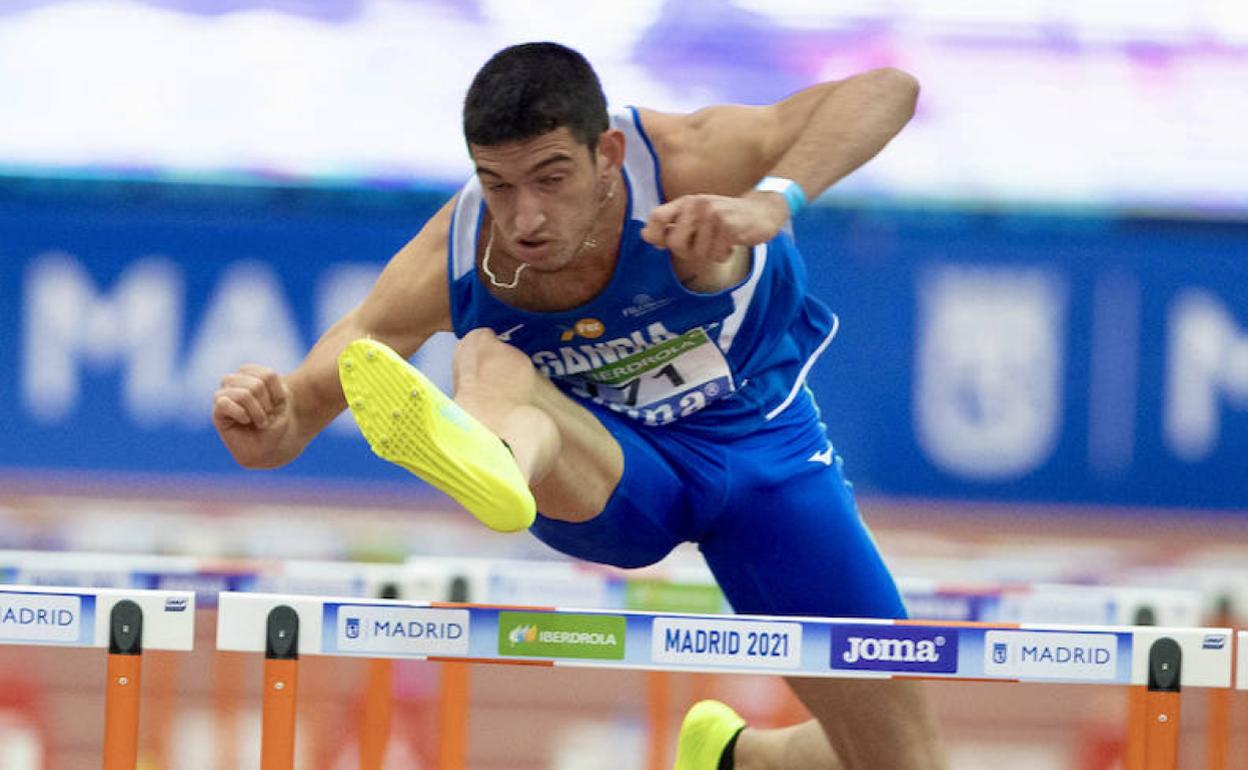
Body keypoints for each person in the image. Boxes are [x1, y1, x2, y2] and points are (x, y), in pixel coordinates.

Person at [213, 42, 945, 770]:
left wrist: (769, 199)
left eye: (550, 177)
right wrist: (268, 427)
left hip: (762, 450)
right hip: (614, 474)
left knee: (902, 758)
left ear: (609, 153)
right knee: (487, 357)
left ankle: (740, 758)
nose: (525, 218)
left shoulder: (687, 157)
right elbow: (296, 417)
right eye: (497, 184)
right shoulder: (458, 254)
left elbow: (889, 88)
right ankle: (494, 458)